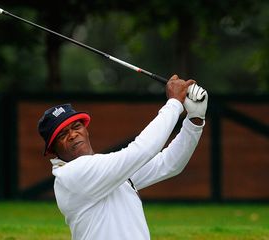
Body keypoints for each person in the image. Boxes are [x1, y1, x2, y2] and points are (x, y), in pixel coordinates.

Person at [37, 75, 208, 240]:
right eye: (63, 135)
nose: (73, 135)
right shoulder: (71, 174)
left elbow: (169, 164)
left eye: (76, 126)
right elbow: (142, 150)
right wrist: (174, 104)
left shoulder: (107, 168)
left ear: (86, 130)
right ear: (53, 150)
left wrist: (195, 120)